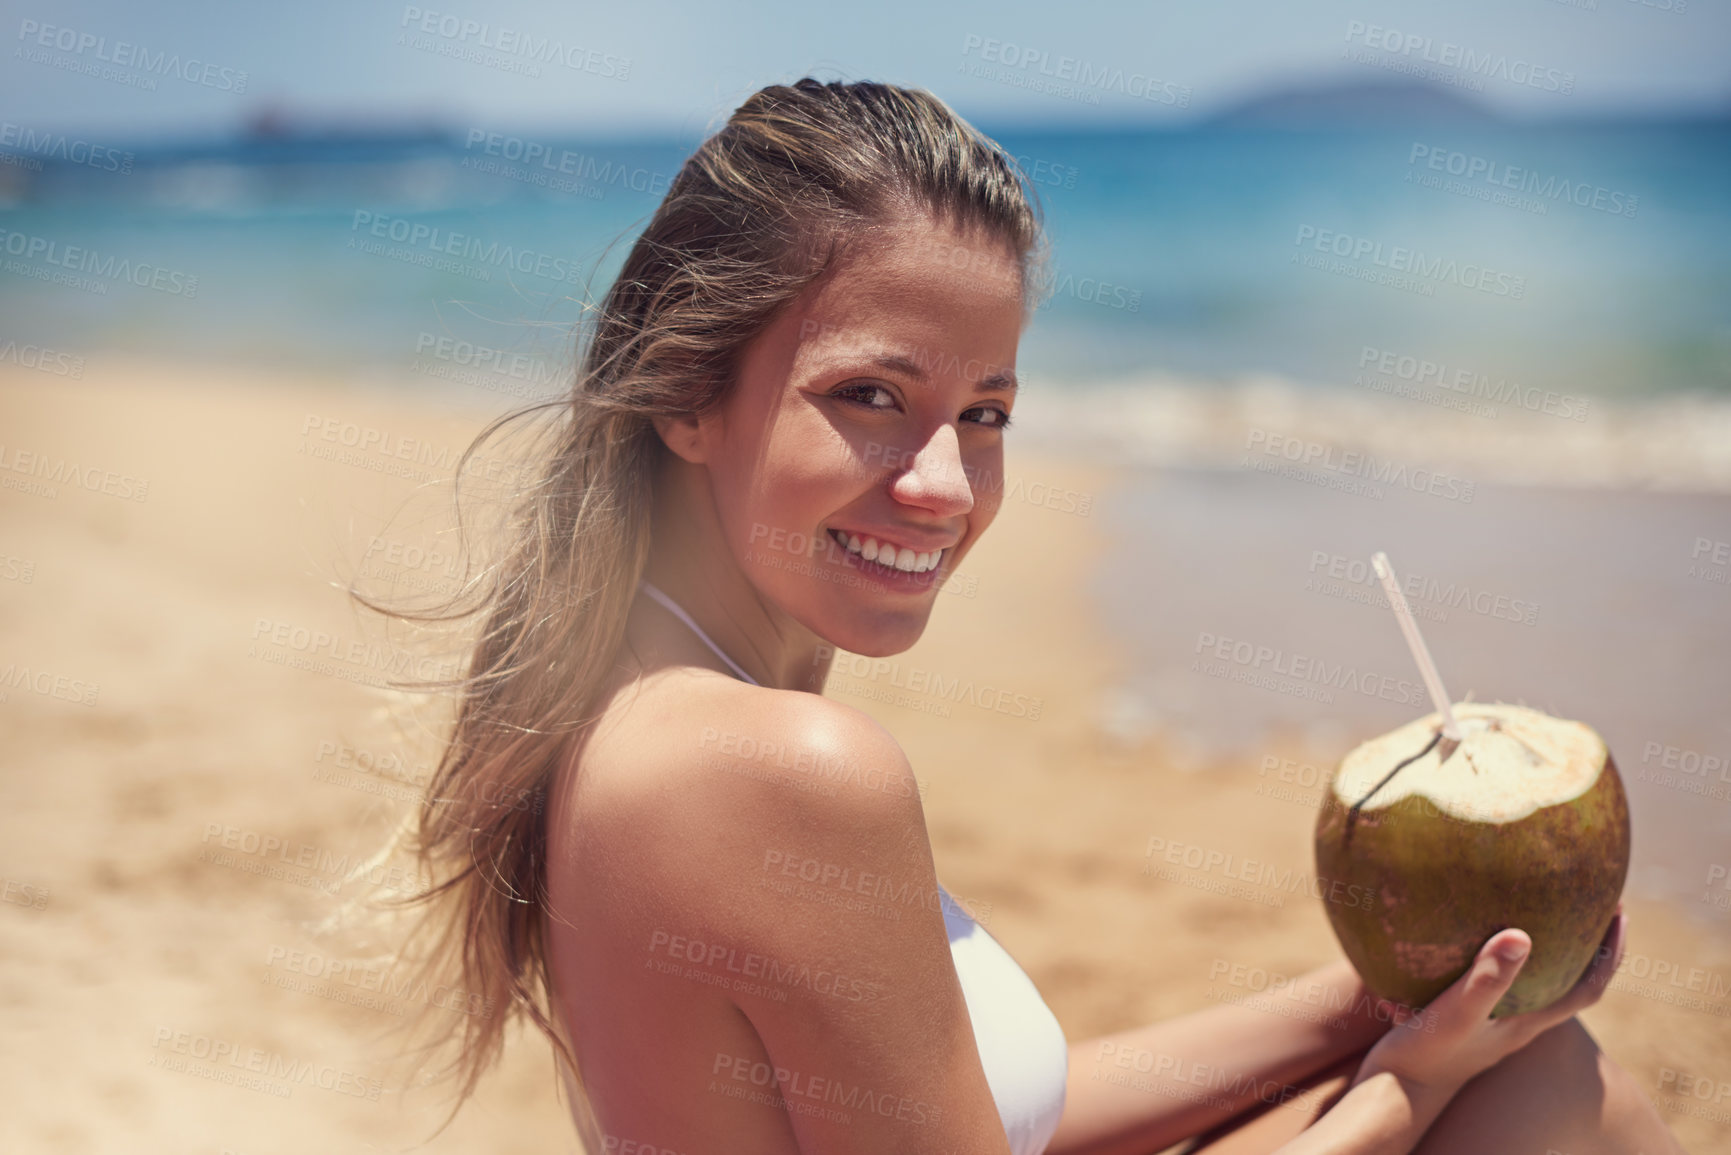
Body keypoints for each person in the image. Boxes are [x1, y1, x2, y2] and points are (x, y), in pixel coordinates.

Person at [382, 78, 1685, 1154]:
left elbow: (990, 1120)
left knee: (1531, 1068)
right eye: (872, 396)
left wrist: (1382, 1008)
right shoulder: (779, 770)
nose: (943, 484)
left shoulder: (641, 706)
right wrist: (1410, 1093)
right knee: (1552, 1098)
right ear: (688, 393)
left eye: (986, 414)